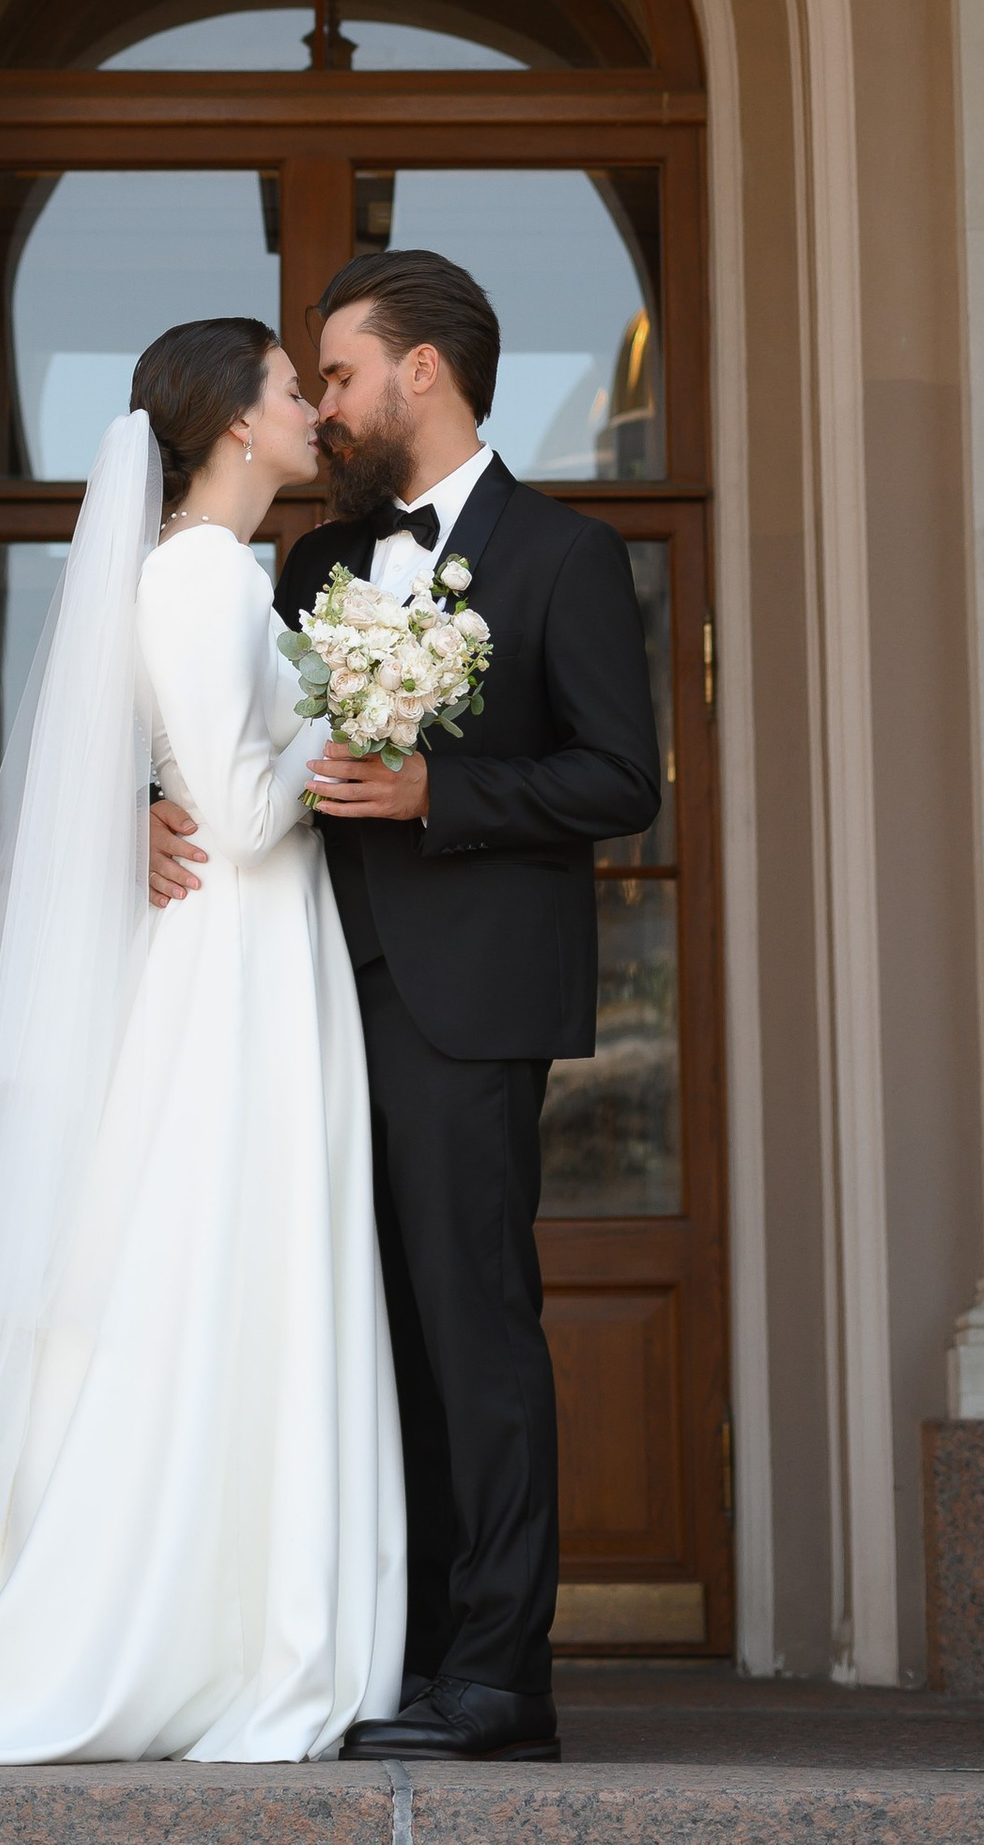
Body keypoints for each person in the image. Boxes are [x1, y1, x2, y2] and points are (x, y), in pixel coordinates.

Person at [0, 321, 403, 1765]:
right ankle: (189, 1628)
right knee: (210, 1262)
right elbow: (240, 817)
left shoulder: (208, 574)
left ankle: (236, 1617)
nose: (311, 409)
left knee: (226, 1265)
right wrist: (362, 703)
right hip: (232, 959)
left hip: (254, 954)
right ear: (235, 423)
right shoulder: (195, 575)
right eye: (292, 390)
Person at [149, 249, 661, 1765]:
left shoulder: (566, 556)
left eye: (347, 374)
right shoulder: (309, 568)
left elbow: (621, 780)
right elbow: (230, 736)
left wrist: (445, 788)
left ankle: (497, 1675)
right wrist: (146, 805)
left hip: (467, 1006)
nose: (330, 402)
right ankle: (394, 1654)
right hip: (301, 1000)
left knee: (473, 1329)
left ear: (422, 371)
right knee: (351, 1339)